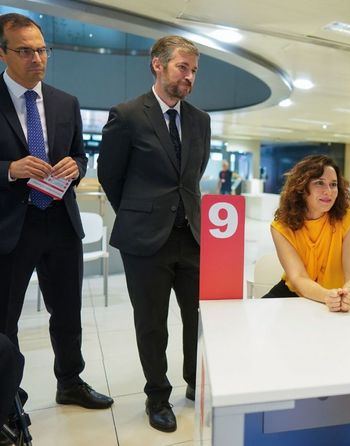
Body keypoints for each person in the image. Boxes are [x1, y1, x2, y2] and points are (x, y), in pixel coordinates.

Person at [98, 35, 211, 432]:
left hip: (191, 237)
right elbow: (110, 175)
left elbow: (193, 175)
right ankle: (157, 397)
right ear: (157, 65)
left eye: (194, 70)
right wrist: (140, 211)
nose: (190, 77)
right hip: (145, 241)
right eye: (183, 67)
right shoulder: (127, 115)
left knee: (198, 319)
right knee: (152, 322)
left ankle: (196, 383)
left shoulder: (200, 120)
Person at [0, 13, 113, 410]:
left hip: (61, 222)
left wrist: (76, 167)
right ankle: (7, 397)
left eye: (42, 49)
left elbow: (81, 155)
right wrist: (10, 169)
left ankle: (70, 382)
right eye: (25, 51)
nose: (37, 59)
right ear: (3, 53)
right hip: (11, 226)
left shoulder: (66, 102)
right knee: (5, 319)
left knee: (67, 312)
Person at [265, 155, 350, 312]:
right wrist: (326, 296)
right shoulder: (281, 227)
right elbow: (298, 278)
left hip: (338, 295)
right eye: (319, 183)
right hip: (294, 294)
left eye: (333, 184)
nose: (328, 191)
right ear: (302, 188)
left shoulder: (349, 220)